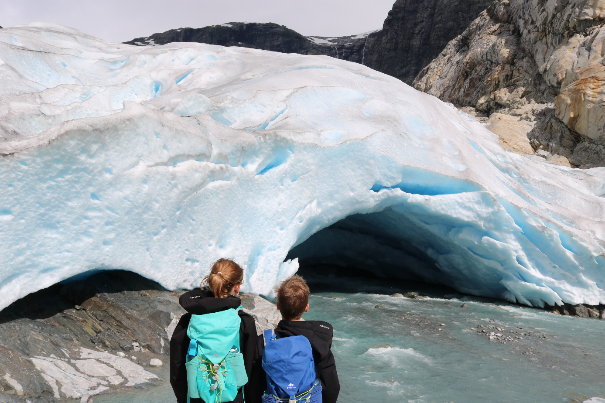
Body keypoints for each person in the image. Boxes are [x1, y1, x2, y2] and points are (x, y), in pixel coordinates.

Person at [170, 258, 263, 403]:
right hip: (234, 397)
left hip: (198, 397)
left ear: (210, 283)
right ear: (237, 287)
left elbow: (177, 370)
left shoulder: (188, 321)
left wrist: (184, 399)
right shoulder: (245, 322)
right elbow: (251, 370)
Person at [269, 275, 340, 403]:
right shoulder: (319, 341)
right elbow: (332, 387)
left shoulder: (266, 340)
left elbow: (255, 384)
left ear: (278, 306)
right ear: (306, 308)